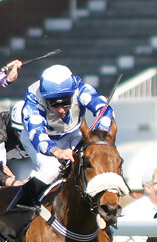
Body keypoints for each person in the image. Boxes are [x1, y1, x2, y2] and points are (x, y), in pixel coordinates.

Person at [8, 64, 116, 210]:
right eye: (53, 104)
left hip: (71, 132)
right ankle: (14, 211)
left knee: (90, 161)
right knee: (51, 169)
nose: (60, 110)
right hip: (39, 138)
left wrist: (101, 129)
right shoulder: (33, 98)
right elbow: (38, 136)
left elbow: (104, 109)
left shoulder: (81, 89)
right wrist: (57, 151)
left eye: (66, 102)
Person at [0, 100, 31, 187]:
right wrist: (14, 183)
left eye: (27, 132)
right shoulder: (1, 124)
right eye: (20, 131)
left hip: (26, 158)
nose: (24, 137)